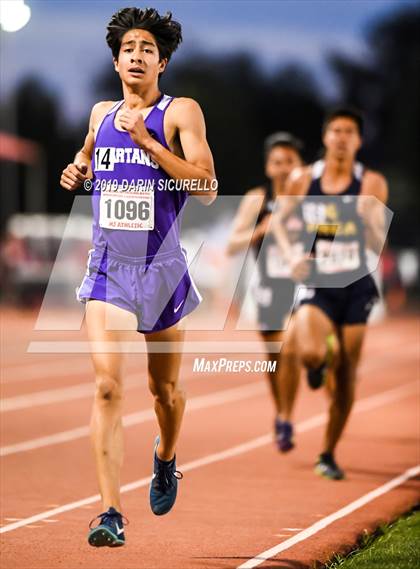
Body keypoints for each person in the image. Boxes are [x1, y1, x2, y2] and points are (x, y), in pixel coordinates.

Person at [60, 7, 217, 547]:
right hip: (107, 269)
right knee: (106, 386)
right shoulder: (101, 112)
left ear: (162, 61)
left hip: (160, 270)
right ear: (115, 59)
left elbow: (208, 186)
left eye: (147, 48)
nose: (136, 55)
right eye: (128, 48)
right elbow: (85, 160)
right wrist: (75, 169)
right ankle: (109, 512)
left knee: (164, 392)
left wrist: (149, 143)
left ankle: (166, 457)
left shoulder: (180, 113)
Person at [273, 107, 388, 480]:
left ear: (359, 140)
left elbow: (374, 239)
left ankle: (327, 452)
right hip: (318, 282)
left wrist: (353, 224)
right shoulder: (302, 179)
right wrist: (293, 256)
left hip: (355, 285)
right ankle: (318, 362)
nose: (341, 137)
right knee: (308, 351)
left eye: (349, 132)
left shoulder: (371, 183)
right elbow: (281, 223)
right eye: (335, 130)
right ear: (325, 137)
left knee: (347, 375)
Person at [226, 132, 304, 452]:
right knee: (274, 359)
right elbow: (232, 245)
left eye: (289, 162)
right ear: (268, 167)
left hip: (304, 283)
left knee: (293, 349)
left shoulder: (313, 198)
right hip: (268, 284)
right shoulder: (256, 198)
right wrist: (261, 229)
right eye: (277, 162)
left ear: (300, 165)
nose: (283, 168)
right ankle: (281, 411)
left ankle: (286, 416)